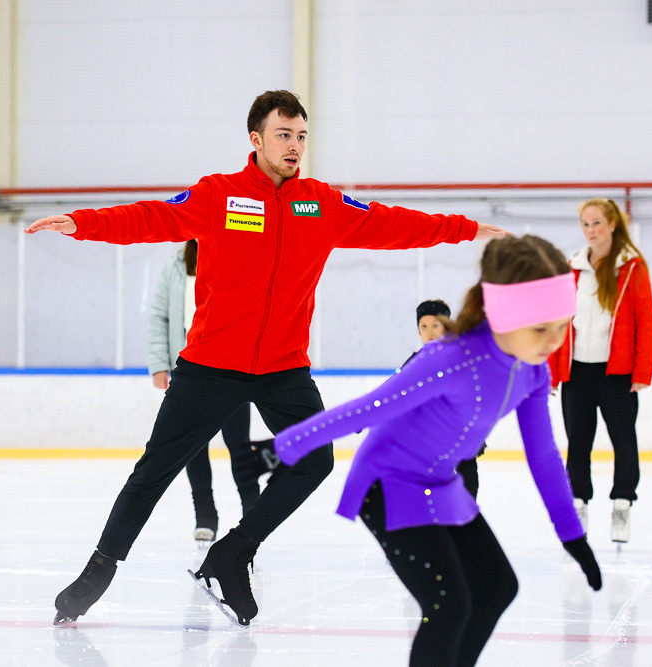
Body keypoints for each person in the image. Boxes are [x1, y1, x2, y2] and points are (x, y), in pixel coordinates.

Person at [23, 89, 506, 627]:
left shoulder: (321, 204)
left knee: (316, 458)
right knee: (156, 468)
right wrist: (84, 222)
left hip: (282, 368)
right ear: (256, 140)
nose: (295, 145)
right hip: (211, 363)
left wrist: (461, 229)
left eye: (301, 136)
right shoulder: (220, 196)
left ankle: (233, 552)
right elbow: (153, 217)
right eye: (284, 135)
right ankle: (99, 570)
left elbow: (394, 225)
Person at [237, 235, 602, 666]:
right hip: (387, 484)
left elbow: (543, 458)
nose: (553, 341)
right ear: (504, 314)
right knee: (449, 605)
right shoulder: (452, 357)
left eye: (563, 326)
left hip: (442, 483)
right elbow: (370, 407)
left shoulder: (533, 373)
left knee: (496, 589)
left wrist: (572, 536)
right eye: (541, 328)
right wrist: (283, 448)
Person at [547, 198, 652, 545]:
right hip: (577, 371)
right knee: (578, 442)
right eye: (585, 224)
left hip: (618, 373)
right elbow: (556, 322)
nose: (591, 231)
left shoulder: (632, 267)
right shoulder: (572, 267)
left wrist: (642, 370)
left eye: (596, 223)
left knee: (624, 441)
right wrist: (552, 370)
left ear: (612, 225)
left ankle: (622, 503)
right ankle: (578, 503)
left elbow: (646, 322)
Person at [148, 239, 258, 541]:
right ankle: (205, 515)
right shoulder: (176, 265)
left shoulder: (235, 253)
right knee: (193, 447)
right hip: (189, 369)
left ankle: (253, 513)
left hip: (232, 367)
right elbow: (160, 315)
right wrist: (159, 363)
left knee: (239, 444)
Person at [408, 299, 484, 498]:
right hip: (426, 446)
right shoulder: (414, 364)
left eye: (436, 325)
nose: (430, 332)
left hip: (461, 441)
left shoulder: (463, 359)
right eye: (423, 326)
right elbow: (391, 394)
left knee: (466, 496)